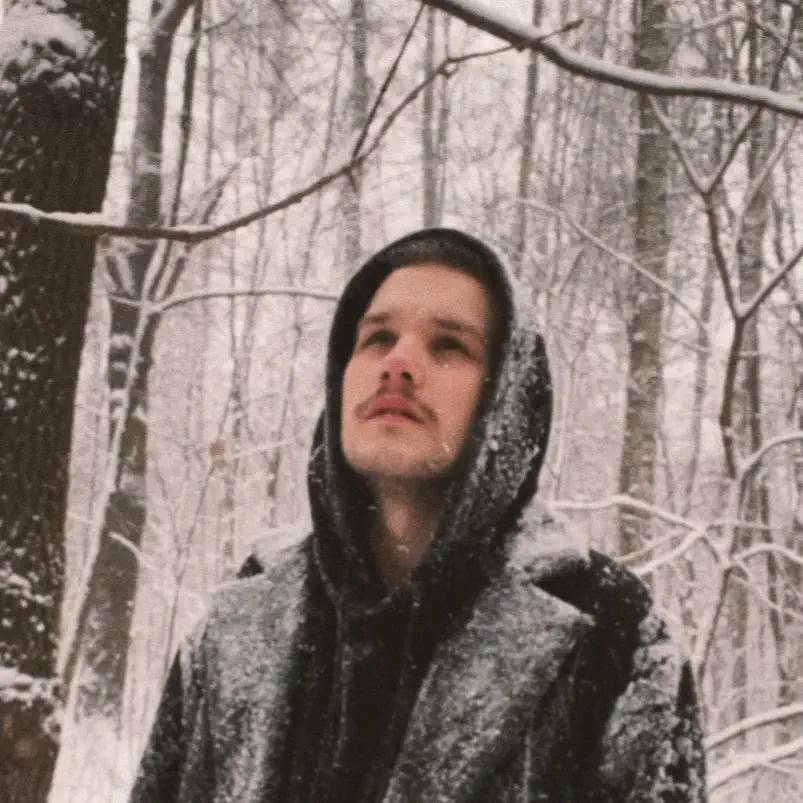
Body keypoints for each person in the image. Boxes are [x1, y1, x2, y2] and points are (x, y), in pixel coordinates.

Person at [129, 228, 708, 803]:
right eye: (377, 338)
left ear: (507, 397)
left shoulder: (614, 635)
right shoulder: (237, 623)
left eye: (449, 346)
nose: (398, 363)